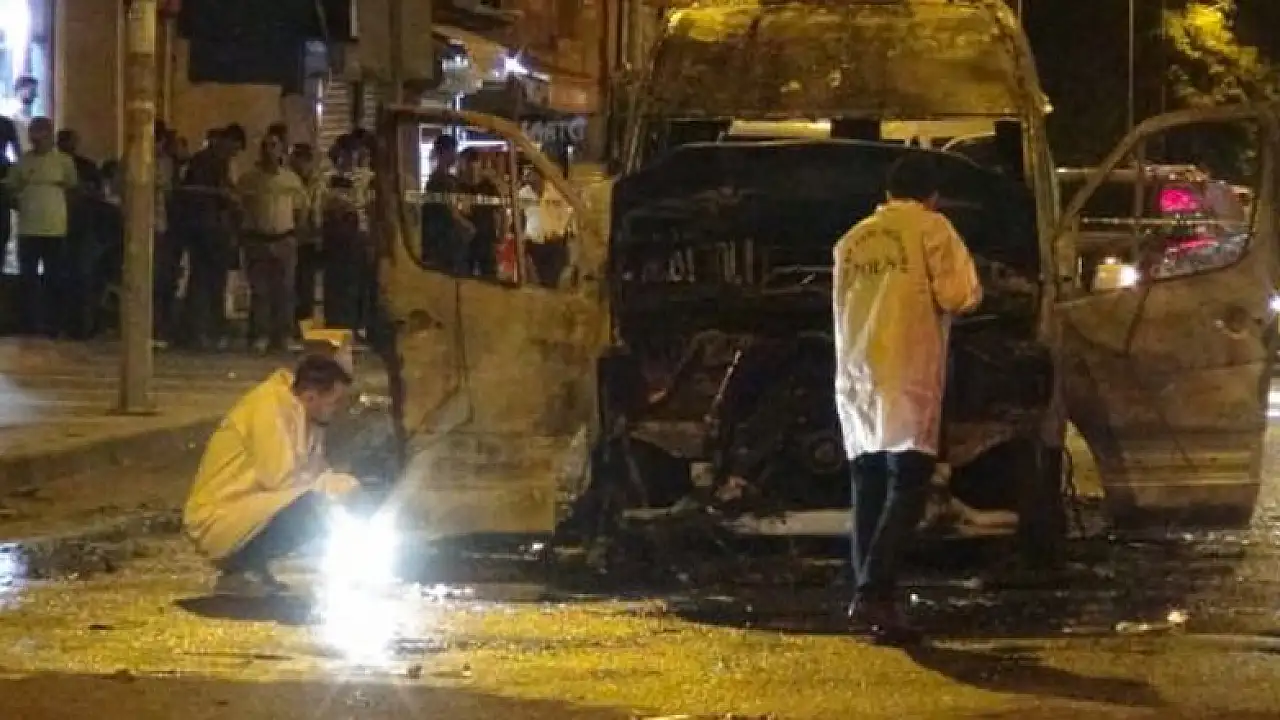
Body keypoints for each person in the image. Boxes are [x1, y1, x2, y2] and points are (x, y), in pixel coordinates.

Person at [832, 153, 982, 644]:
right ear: (932, 196)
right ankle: (873, 592)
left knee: (868, 484)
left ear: (887, 192)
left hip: (856, 373)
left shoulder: (851, 240)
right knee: (910, 480)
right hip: (906, 368)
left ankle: (874, 602)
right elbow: (959, 295)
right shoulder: (931, 228)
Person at [183, 349, 363, 595]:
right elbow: (281, 479)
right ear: (311, 396)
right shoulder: (269, 407)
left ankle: (251, 567)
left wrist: (345, 489)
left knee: (324, 503)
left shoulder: (306, 415)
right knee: (311, 507)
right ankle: (241, 569)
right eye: (334, 401)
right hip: (219, 517)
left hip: (245, 510)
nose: (338, 409)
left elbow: (315, 472)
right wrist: (334, 488)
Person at [6, 117, 78, 337]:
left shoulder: (64, 161)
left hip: (55, 227)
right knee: (28, 278)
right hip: (28, 228)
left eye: (41, 134)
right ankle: (29, 323)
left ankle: (53, 323)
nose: (37, 139)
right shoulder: (23, 162)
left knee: (54, 277)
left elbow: (72, 186)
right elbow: (11, 188)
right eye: (33, 135)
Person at [237, 132, 308, 353]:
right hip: (257, 239)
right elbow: (238, 207)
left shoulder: (291, 180)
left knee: (285, 290)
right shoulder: (249, 179)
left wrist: (297, 233)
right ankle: (260, 334)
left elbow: (301, 208)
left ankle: (283, 335)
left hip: (284, 239)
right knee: (260, 291)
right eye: (266, 146)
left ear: (281, 151)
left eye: (274, 146)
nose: (270, 151)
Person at [175, 127, 238, 350]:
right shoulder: (207, 162)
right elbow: (196, 192)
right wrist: (223, 196)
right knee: (205, 281)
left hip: (210, 229)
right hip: (206, 229)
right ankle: (199, 332)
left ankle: (204, 331)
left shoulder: (215, 162)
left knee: (209, 282)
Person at [321, 135, 375, 333]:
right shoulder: (327, 178)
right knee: (336, 285)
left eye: (353, 152)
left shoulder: (367, 178)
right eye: (346, 152)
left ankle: (357, 326)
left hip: (359, 236)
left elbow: (371, 206)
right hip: (335, 238)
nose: (350, 157)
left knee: (358, 285)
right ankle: (336, 325)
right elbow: (323, 205)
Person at [54, 129, 103, 339]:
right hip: (58, 226)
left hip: (82, 227)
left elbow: (97, 193)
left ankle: (81, 326)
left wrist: (81, 191)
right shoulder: (52, 164)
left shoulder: (86, 166)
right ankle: (63, 324)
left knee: (82, 278)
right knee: (63, 277)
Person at [420, 134, 472, 272]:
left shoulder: (440, 179)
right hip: (444, 244)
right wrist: (467, 227)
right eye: (453, 151)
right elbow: (451, 211)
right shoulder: (441, 181)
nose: (455, 155)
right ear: (444, 153)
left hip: (442, 242)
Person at [457, 148, 500, 279]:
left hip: (486, 241)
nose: (472, 170)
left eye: (475, 164)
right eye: (468, 164)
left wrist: (501, 236)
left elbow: (500, 211)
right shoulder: (458, 187)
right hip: (465, 242)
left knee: (490, 278)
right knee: (465, 277)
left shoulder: (489, 187)